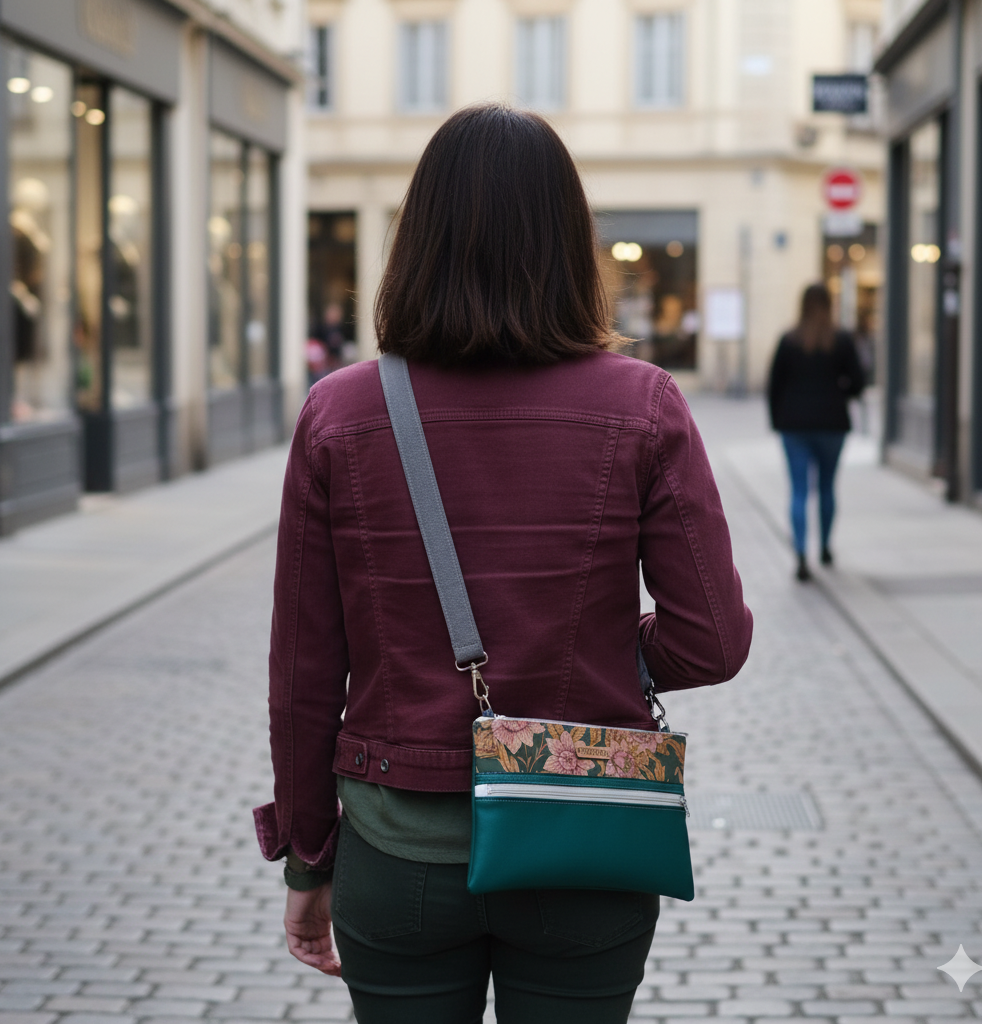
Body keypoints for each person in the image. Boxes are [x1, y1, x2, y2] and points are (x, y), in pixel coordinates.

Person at [254, 103, 753, 1024]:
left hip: (398, 851)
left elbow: (303, 675)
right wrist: (609, 647)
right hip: (583, 844)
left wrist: (307, 857)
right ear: (570, 246)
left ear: (416, 242)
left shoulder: (341, 415)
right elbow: (713, 641)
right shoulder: (642, 407)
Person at [767, 283, 866, 582]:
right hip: (831, 424)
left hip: (794, 425)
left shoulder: (789, 340)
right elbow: (859, 382)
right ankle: (824, 547)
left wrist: (777, 420)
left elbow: (774, 385)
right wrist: (839, 393)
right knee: (826, 487)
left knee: (799, 490)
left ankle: (800, 554)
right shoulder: (841, 340)